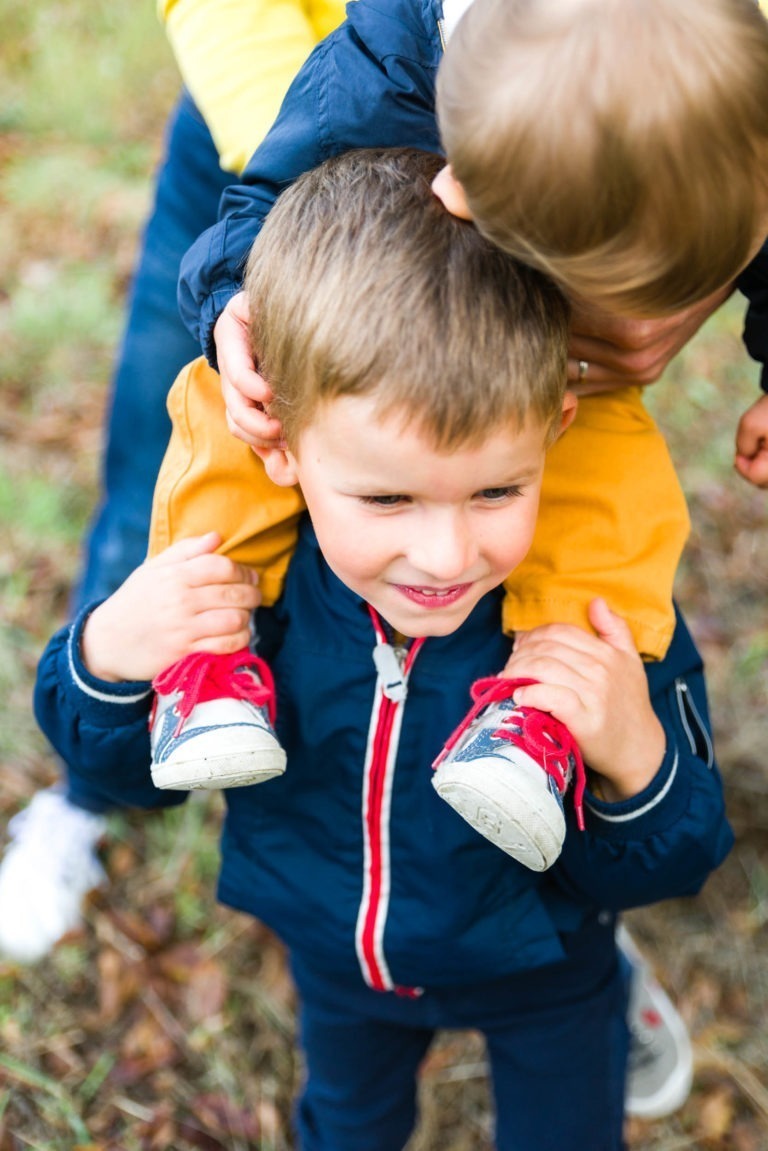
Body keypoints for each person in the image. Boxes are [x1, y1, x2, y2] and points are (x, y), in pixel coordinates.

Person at [34, 149, 734, 1151]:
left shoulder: (583, 628)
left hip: (549, 972)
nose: (447, 554)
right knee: (348, 1124)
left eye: (497, 491)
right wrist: (106, 657)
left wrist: (639, 763)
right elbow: (123, 773)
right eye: (387, 497)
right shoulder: (253, 597)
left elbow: (675, 855)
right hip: (337, 963)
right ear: (280, 446)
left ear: (555, 429)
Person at [143, 0, 768, 862]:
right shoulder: (382, 66)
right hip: (353, 305)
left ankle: (544, 710)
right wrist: (231, 305)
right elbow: (263, 191)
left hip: (532, 361)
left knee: (609, 471)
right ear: (464, 183)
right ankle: (207, 646)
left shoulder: (723, 99)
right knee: (236, 401)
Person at [0, 0, 344, 966]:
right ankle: (92, 788)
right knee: (175, 462)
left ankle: (556, 886)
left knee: (498, 508)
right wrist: (334, 200)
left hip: (534, 160)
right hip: (261, 133)